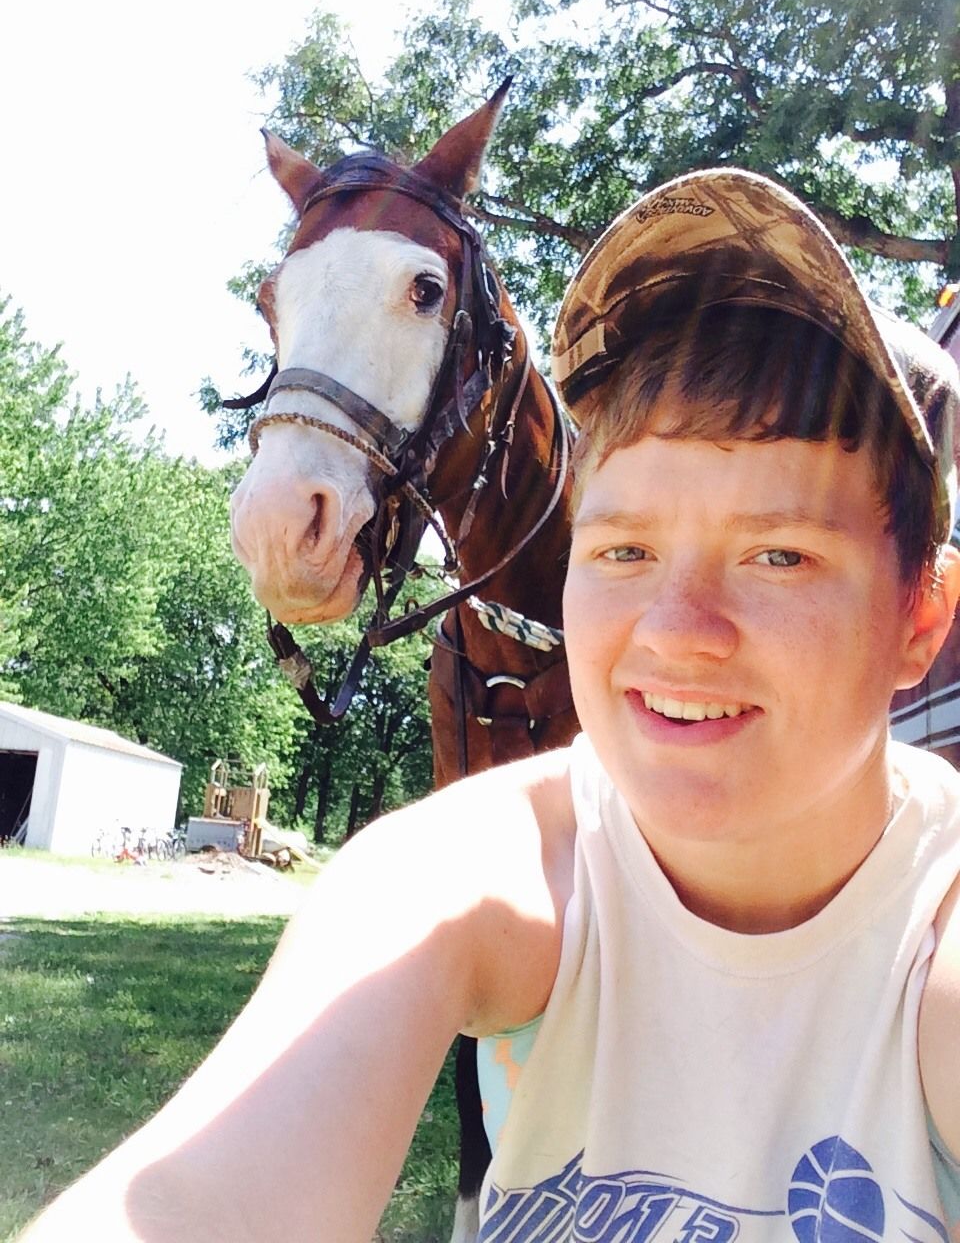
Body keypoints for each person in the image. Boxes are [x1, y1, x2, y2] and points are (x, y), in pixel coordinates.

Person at [21, 168, 960, 1242]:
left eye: (779, 553)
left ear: (922, 616)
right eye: (625, 549)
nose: (674, 630)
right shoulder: (465, 871)